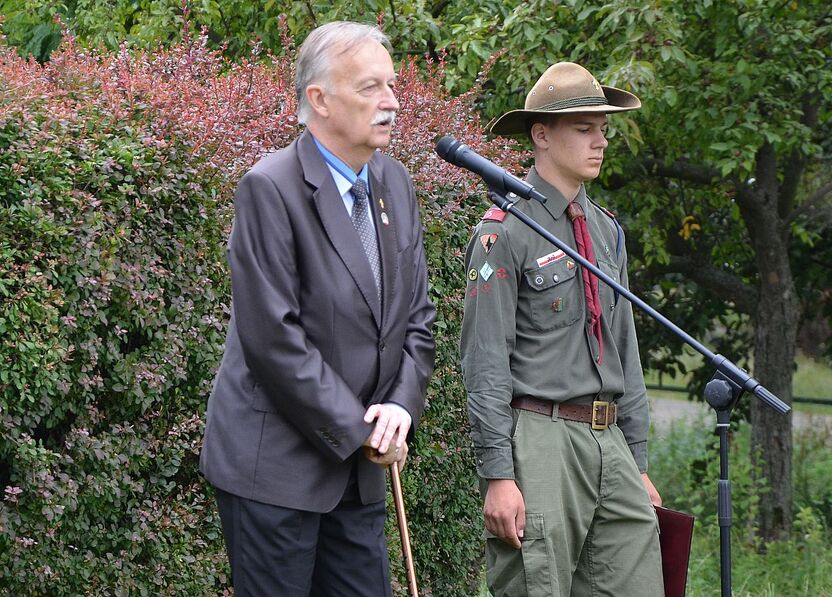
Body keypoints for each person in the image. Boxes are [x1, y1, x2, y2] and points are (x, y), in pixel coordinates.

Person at [200, 21, 436, 596]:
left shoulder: (395, 182)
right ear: (319, 99)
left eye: (392, 85)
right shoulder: (270, 187)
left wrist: (400, 408)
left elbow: (417, 316)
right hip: (274, 471)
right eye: (370, 88)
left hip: (361, 473)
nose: (391, 102)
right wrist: (359, 429)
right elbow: (273, 340)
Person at [460, 61, 664, 596]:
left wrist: (636, 462)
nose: (600, 141)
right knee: (537, 585)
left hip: (609, 438)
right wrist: (498, 476)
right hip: (541, 439)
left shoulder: (606, 231)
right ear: (541, 135)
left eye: (602, 127)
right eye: (584, 128)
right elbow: (485, 361)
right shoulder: (503, 232)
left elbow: (626, 351)